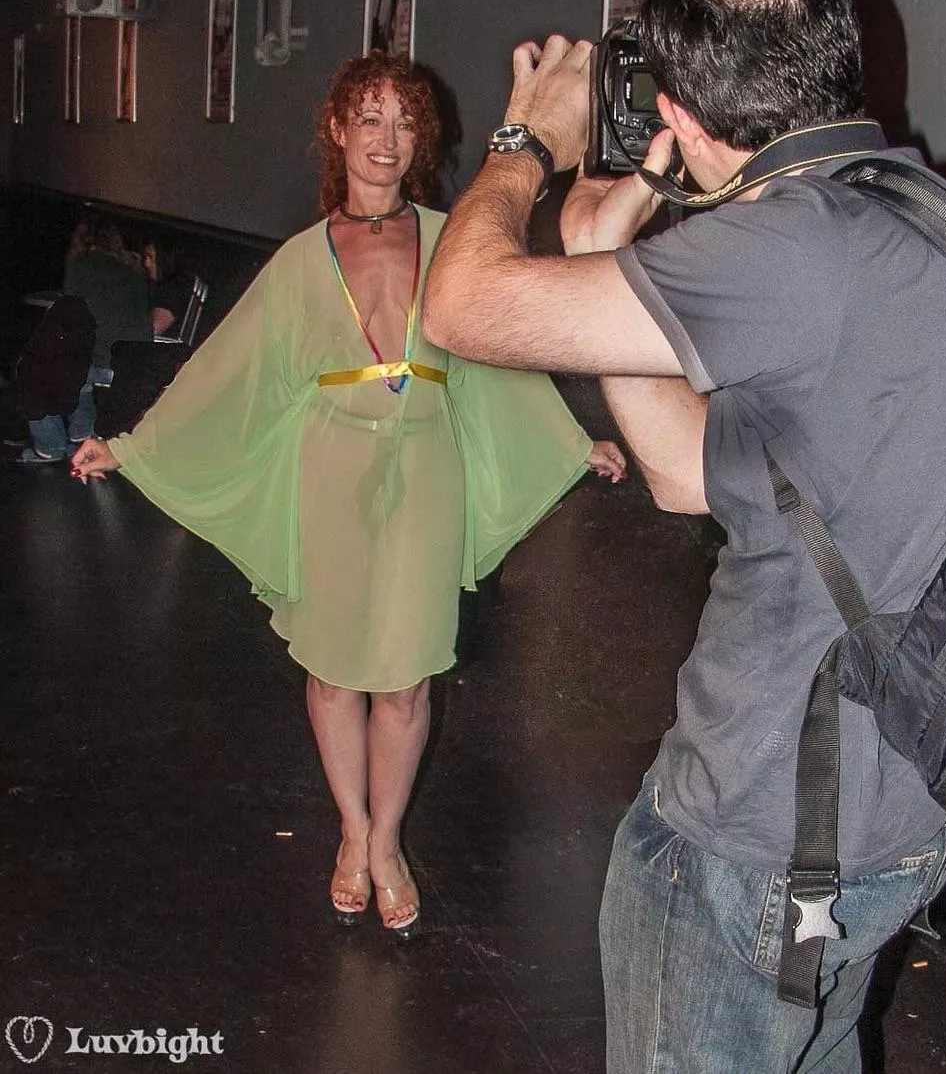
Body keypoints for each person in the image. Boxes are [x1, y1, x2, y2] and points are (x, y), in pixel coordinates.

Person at [421, 0, 946, 1071]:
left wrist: (527, 143)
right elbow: (684, 472)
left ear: (684, 118)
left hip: (752, 837)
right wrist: (590, 247)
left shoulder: (786, 250)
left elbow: (461, 305)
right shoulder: (921, 210)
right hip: (895, 826)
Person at [71, 51, 625, 940]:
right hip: (331, 470)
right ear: (337, 130)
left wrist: (573, 440)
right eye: (369, 119)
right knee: (331, 669)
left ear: (422, 141)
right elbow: (228, 369)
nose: (387, 139)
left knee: (405, 679)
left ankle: (391, 840)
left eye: (404, 123)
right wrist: (132, 446)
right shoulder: (300, 260)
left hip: (426, 472)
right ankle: (352, 831)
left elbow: (493, 352)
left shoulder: (454, 240)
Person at [15, 215, 151, 463]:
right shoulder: (134, 270)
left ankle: (50, 448)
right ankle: (82, 434)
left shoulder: (81, 265)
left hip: (103, 366)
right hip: (137, 368)